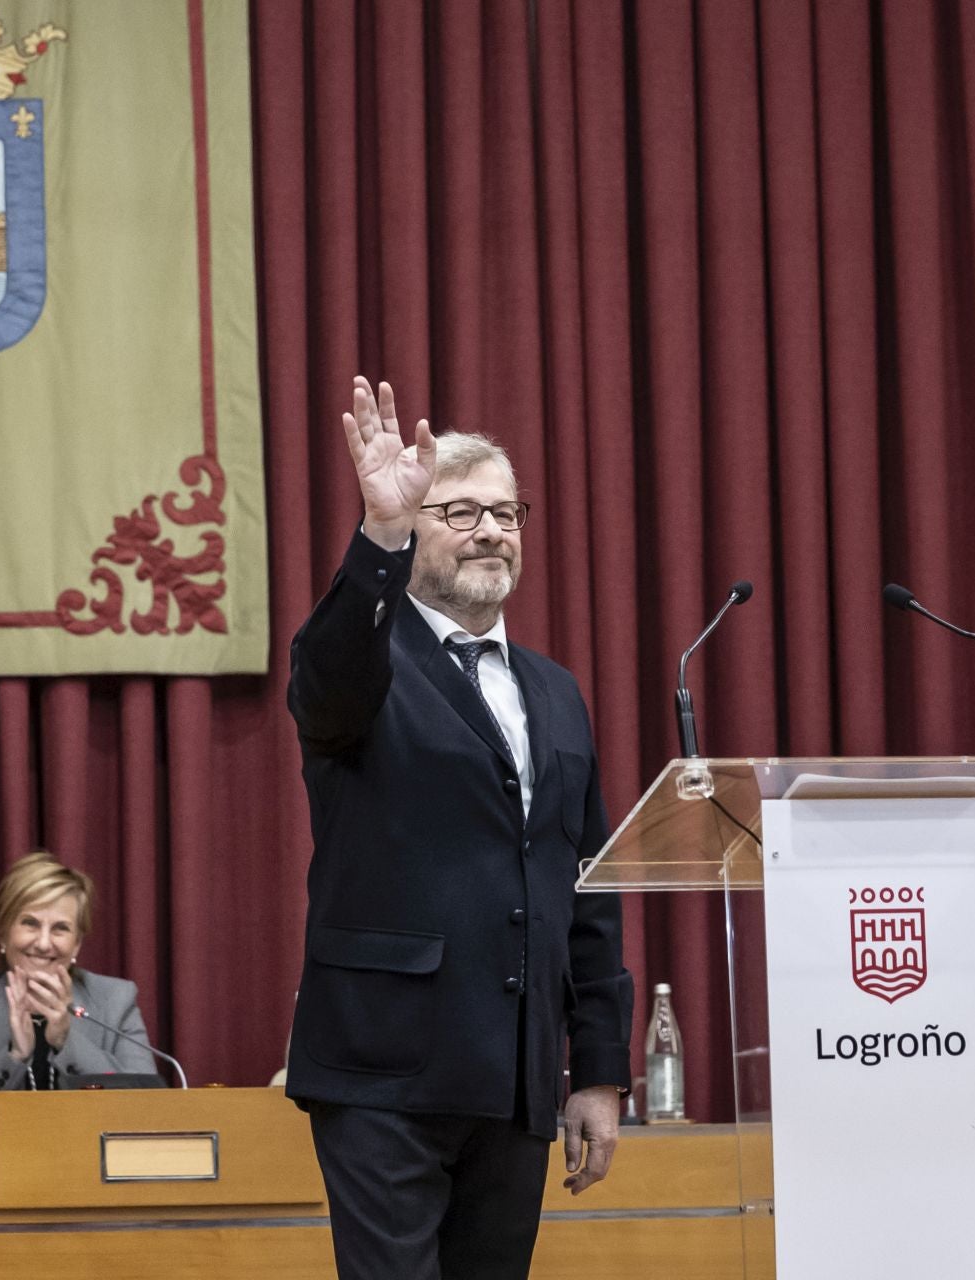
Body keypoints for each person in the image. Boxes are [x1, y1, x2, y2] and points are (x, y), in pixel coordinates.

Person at [285, 378, 633, 1278]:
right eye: (462, 511)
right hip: (384, 1071)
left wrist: (595, 1067)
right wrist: (382, 537)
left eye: (507, 513)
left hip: (513, 1076)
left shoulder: (555, 692)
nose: (492, 532)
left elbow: (585, 886)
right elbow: (325, 679)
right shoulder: (365, 657)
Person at [0, 852, 157, 1134]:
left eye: (60, 929)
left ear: (76, 945)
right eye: (30, 923)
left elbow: (148, 1111)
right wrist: (13, 1057)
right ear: (4, 933)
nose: (43, 943)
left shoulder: (115, 1001)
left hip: (89, 1169)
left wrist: (67, 1040)